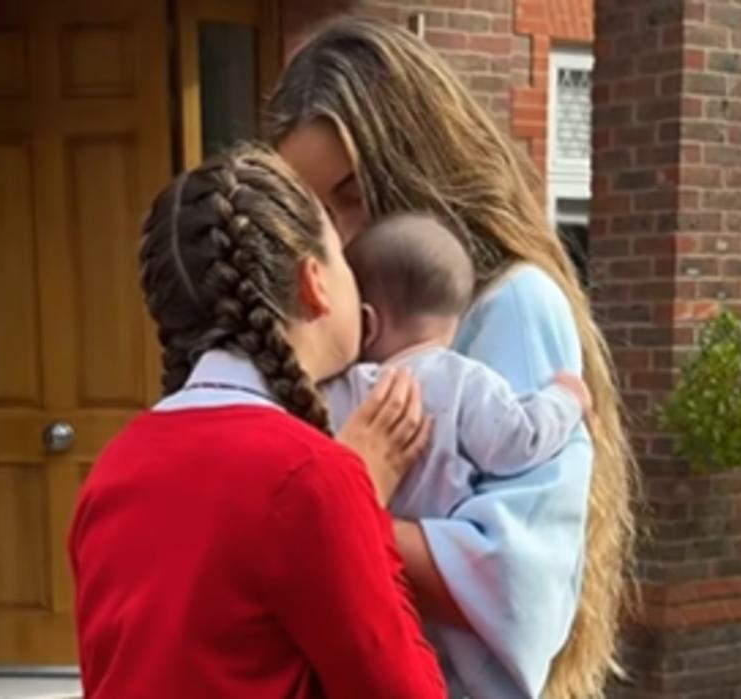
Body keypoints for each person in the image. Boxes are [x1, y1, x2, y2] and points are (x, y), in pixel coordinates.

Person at [268, 17, 638, 699]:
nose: (332, 236)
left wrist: (322, 510)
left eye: (351, 194)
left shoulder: (514, 306)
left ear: (415, 164)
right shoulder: (337, 324)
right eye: (309, 208)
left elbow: (515, 575)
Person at [68, 145, 446, 699]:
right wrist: (360, 496)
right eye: (344, 257)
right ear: (314, 281)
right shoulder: (313, 477)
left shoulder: (111, 470)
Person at [325, 212, 593, 524]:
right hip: (435, 553)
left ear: (367, 323)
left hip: (366, 542)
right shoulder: (464, 381)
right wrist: (567, 399)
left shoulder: (344, 387)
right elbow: (519, 441)